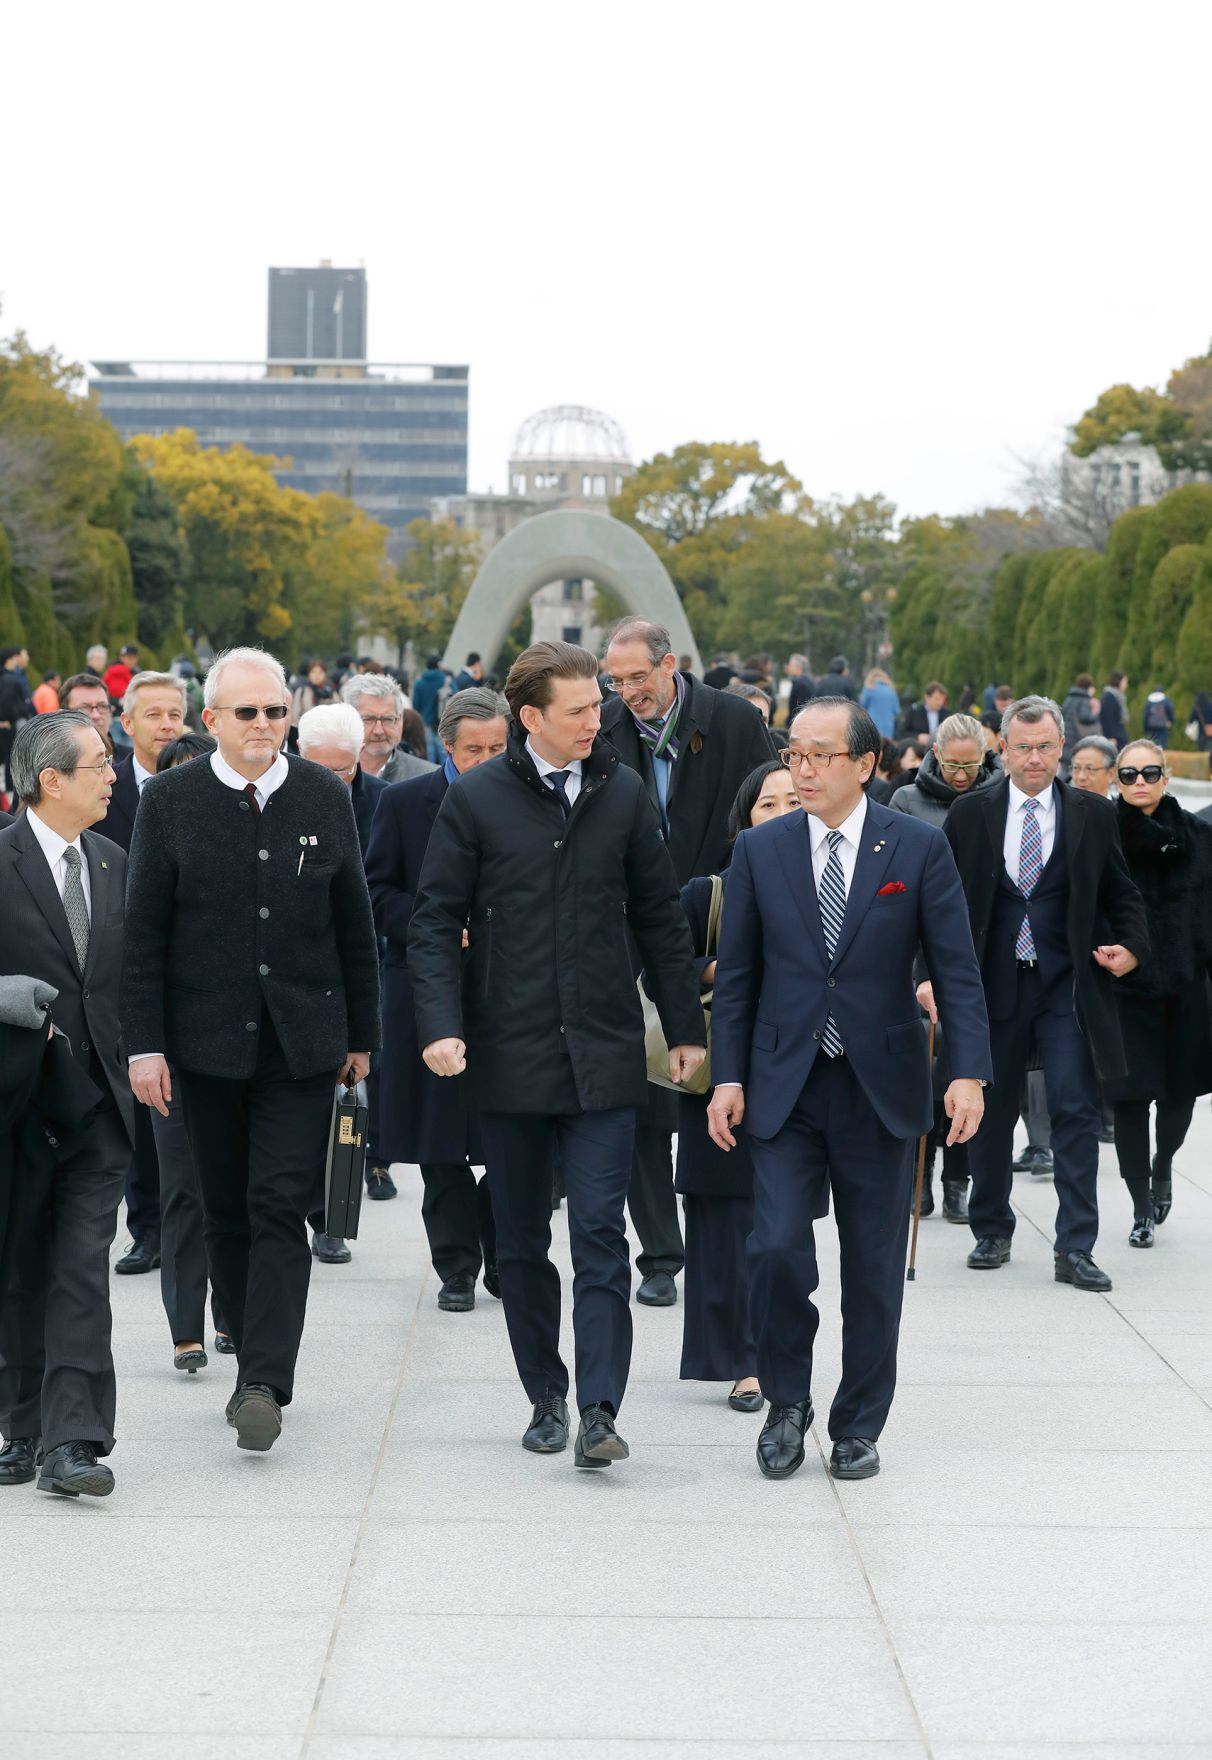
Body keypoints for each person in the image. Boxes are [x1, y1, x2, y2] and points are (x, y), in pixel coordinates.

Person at [408, 641, 705, 1469]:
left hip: (605, 1050)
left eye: (597, 705)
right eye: (578, 710)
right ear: (530, 717)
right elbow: (433, 920)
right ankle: (546, 1393)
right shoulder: (475, 799)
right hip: (509, 1055)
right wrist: (440, 1024)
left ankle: (600, 1409)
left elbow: (660, 917)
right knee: (520, 1241)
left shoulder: (623, 791)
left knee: (601, 1233)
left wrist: (686, 1029)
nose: (595, 721)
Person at [707, 697, 991, 1483]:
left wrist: (967, 1073)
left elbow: (956, 969)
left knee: (872, 1267)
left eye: (820, 755)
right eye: (794, 754)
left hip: (880, 1088)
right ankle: (786, 1403)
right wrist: (727, 1076)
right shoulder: (760, 849)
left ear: (865, 764)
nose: (802, 770)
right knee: (774, 1249)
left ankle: (859, 1422)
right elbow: (738, 979)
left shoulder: (918, 847)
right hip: (783, 1085)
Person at [122, 646, 380, 1454]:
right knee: (224, 1210)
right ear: (212, 720)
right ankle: (242, 1334)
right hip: (202, 1047)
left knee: (278, 1205)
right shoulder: (169, 802)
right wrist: (144, 1046)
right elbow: (143, 936)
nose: (264, 723)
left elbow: (354, 923)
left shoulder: (321, 793)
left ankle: (264, 1381)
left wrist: (363, 1038)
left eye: (275, 710)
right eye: (247, 712)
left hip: (300, 1045)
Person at [932, 694, 1150, 1292]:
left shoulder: (1092, 814)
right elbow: (939, 903)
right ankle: (991, 1228)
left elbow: (1122, 893)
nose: (1034, 758)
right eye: (1023, 747)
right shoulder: (971, 814)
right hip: (991, 984)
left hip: (1066, 985)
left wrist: (1132, 947)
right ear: (1002, 749)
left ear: (1062, 749)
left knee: (1075, 1110)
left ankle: (1075, 1246)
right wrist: (928, 975)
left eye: (1046, 747)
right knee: (992, 1109)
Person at [598, 617, 775, 1308]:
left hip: (721, 921)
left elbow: (767, 811)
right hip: (630, 933)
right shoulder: (604, 728)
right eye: (616, 680)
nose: (627, 691)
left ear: (669, 664)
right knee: (642, 1095)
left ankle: (719, 1238)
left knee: (715, 1086)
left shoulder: (733, 720)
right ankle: (660, 1254)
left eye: (638, 677)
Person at [0, 712, 134, 1498]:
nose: (113, 775)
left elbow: (135, 977)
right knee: (21, 1269)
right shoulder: (2, 861)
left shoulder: (115, 863)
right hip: (20, 1104)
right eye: (99, 764)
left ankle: (74, 1440)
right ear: (51, 780)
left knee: (82, 1266)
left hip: (100, 1109)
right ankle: (22, 1428)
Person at [366, 687, 510, 1308]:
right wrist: (436, 925)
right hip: (425, 986)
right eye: (474, 750)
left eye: (499, 748)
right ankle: (455, 1265)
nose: (487, 761)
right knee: (439, 1136)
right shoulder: (403, 803)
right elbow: (377, 892)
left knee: (511, 1131)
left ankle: (504, 1255)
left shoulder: (530, 797)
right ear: (446, 746)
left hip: (509, 987)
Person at [678, 760, 802, 1412]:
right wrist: (716, 969)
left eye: (793, 802)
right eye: (767, 804)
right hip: (717, 1072)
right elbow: (658, 963)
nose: (780, 814)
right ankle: (738, 1357)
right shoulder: (709, 894)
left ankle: (766, 1352)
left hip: (797, 1073)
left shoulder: (835, 887)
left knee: (777, 1224)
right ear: (744, 819)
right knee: (723, 1220)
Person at [891, 712, 1001, 1223]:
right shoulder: (906, 799)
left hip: (977, 946)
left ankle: (958, 1179)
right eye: (952, 765)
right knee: (925, 1070)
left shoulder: (998, 798)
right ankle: (921, 1175)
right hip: (916, 947)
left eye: (970, 766)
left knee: (966, 1069)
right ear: (935, 753)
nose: (960, 775)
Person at [98, 671, 190, 1277]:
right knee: (140, 1096)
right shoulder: (105, 790)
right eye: (152, 715)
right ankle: (147, 1228)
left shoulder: (201, 782)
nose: (166, 725)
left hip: (192, 963)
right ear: (126, 723)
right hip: (124, 961)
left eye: (174, 714)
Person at [144, 731, 230, 1371]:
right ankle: (186, 1329)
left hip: (238, 1050)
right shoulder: (150, 855)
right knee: (182, 1188)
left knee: (235, 1189)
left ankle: (232, 1313)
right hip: (172, 1049)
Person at [1105, 741, 1212, 1246]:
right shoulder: (1102, 835)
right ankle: (1140, 1207)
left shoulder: (1199, 837)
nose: (1140, 782)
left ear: (1166, 778)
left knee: (1179, 1098)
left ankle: (1163, 1162)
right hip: (1124, 988)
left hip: (1186, 987)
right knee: (1129, 1100)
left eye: (1149, 772)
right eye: (1129, 774)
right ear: (1117, 780)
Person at [296, 700, 387, 1256]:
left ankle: (331, 1215)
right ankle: (311, 1210)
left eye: (344, 770)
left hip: (358, 967)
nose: (333, 781)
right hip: (297, 974)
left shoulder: (383, 803)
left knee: (344, 1105)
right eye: (320, 769)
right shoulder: (278, 802)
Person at [342, 673, 434, 784]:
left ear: (400, 720)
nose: (378, 731)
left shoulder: (428, 778)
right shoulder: (331, 773)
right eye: (369, 719)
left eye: (387, 719)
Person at [0, 647, 34, 794]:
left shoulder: (9, 677)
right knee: (13, 756)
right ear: (10, 659)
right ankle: (12, 790)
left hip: (10, 722)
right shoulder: (9, 679)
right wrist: (4, 718)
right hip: (10, 723)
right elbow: (5, 701)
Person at [60, 672, 115, 753]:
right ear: (63, 715)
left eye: (102, 706)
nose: (96, 716)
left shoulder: (130, 757)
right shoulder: (48, 759)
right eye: (84, 708)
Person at [1061, 674, 1101, 775]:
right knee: (1075, 771)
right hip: (1077, 739)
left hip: (1067, 738)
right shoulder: (1084, 700)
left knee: (1065, 770)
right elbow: (1085, 717)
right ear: (1089, 686)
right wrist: (1096, 712)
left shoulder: (1069, 698)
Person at [411, 655, 450, 760]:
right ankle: (446, 768)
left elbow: (415, 704)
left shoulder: (419, 682)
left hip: (425, 721)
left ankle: (431, 768)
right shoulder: (446, 680)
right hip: (444, 720)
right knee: (443, 748)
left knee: (429, 748)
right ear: (438, 665)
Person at [290, 659, 333, 728]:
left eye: (320, 672)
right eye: (313, 672)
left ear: (325, 674)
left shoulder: (330, 692)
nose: (317, 675)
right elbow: (295, 715)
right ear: (309, 674)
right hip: (305, 730)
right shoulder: (302, 691)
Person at [902, 682, 948, 747]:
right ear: (927, 697)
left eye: (942, 700)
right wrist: (917, 737)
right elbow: (902, 733)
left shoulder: (946, 713)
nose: (940, 702)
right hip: (918, 749)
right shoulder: (914, 711)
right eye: (937, 699)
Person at [860, 668, 899, 739]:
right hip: (888, 727)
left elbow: (862, 707)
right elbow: (896, 710)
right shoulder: (891, 690)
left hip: (872, 724)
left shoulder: (869, 688)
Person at [102, 645, 138, 709]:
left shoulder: (137, 673)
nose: (131, 661)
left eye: (133, 658)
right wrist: (118, 701)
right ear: (121, 658)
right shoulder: (111, 672)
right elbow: (102, 692)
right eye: (129, 657)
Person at [1099, 672, 1129, 749]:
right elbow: (1107, 718)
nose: (1126, 685)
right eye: (1125, 682)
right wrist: (1111, 737)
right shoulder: (1109, 697)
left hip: (1118, 736)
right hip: (1115, 738)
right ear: (1118, 681)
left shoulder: (1116, 696)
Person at [1188, 688, 1212, 774]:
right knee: (1209, 753)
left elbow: (1191, 719)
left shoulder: (1197, 708)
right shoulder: (1211, 706)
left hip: (1202, 733)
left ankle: (1200, 771)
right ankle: (1209, 770)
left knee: (1200, 753)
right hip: (1211, 734)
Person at [785, 654, 814, 719]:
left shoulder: (802, 686)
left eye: (790, 665)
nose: (788, 668)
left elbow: (800, 711)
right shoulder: (801, 682)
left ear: (799, 668)